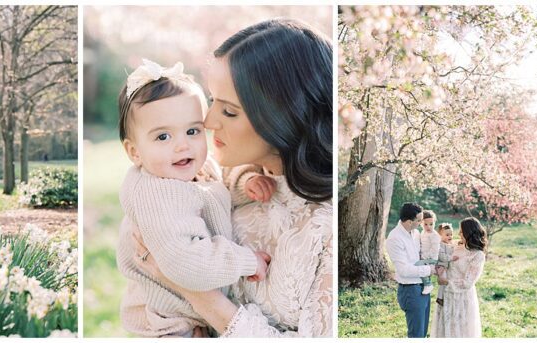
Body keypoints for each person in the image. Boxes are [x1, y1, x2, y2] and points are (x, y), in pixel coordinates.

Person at [123, 18, 334, 337]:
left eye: (229, 111)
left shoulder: (327, 225)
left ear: (284, 117)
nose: (206, 122)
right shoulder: (181, 181)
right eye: (211, 101)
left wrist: (200, 297)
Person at [113, 58, 270, 337]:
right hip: (170, 324)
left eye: (192, 131)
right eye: (162, 137)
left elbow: (214, 188)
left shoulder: (190, 166)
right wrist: (247, 261)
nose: (182, 144)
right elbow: (188, 263)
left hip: (194, 313)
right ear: (134, 152)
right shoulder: (157, 194)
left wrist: (245, 182)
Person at [433, 217, 486, 338]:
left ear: (469, 233)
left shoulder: (478, 256)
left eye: (461, 232)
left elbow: (468, 283)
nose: (458, 234)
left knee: (460, 331)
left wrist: (445, 281)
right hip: (446, 295)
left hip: (462, 298)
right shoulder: (456, 246)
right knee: (445, 330)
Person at [386, 202, 431, 337]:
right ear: (410, 221)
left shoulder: (416, 233)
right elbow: (404, 270)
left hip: (423, 287)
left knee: (422, 333)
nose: (421, 223)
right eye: (419, 220)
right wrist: (429, 270)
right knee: (416, 335)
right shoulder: (395, 238)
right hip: (410, 290)